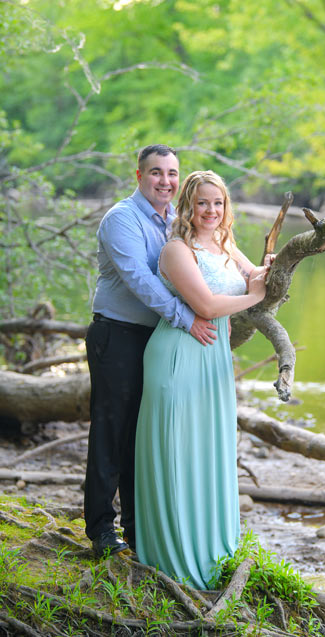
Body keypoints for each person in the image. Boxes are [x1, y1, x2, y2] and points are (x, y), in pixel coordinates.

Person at [134, 170, 269, 589]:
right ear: (187, 206)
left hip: (212, 360)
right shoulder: (177, 249)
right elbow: (208, 305)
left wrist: (273, 269)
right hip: (177, 355)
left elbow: (258, 273)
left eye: (219, 203)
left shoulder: (224, 243)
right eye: (202, 203)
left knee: (210, 450)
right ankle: (173, 560)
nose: (211, 211)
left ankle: (214, 552)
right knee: (179, 452)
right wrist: (255, 297)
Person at [85, 145, 217, 557]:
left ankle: (140, 531)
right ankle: (101, 529)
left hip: (157, 341)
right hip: (117, 336)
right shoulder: (121, 219)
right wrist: (189, 317)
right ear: (138, 176)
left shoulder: (174, 223)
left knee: (147, 436)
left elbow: (209, 258)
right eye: (156, 172)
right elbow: (141, 282)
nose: (166, 181)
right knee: (112, 430)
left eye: (172, 173)